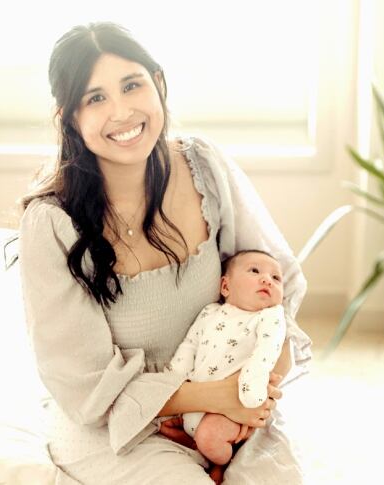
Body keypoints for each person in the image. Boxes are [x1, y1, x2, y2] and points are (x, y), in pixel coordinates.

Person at [16, 21, 312, 484]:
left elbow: (274, 284)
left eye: (132, 85)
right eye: (95, 98)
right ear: (69, 118)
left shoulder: (204, 167)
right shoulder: (51, 223)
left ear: (158, 83)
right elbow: (84, 385)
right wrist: (199, 397)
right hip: (116, 423)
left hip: (227, 397)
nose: (122, 111)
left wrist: (252, 394)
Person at [164, 250, 288, 468]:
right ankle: (193, 441)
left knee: (210, 438)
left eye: (276, 278)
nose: (267, 279)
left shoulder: (269, 317)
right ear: (226, 287)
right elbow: (190, 344)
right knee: (164, 424)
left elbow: (265, 353)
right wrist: (175, 375)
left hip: (235, 401)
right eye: (255, 271)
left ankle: (221, 463)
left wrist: (251, 387)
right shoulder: (210, 312)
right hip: (198, 395)